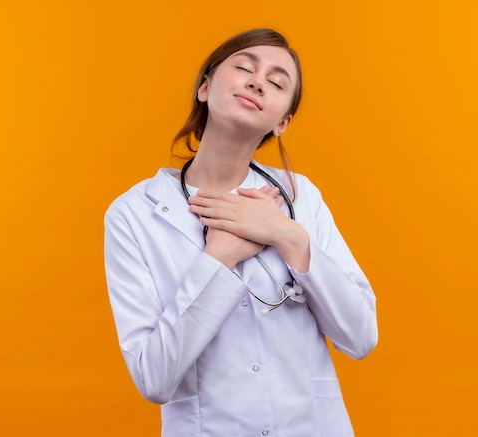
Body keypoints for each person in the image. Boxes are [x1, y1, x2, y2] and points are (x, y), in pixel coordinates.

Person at [104, 28, 378, 437]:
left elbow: (360, 337)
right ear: (204, 86)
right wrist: (219, 259)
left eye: (276, 82)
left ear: (283, 121)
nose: (257, 82)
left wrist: (290, 237)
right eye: (245, 68)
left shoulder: (300, 199)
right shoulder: (134, 214)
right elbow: (154, 378)